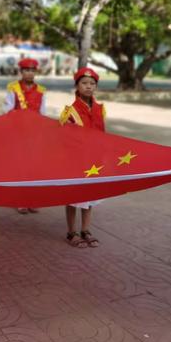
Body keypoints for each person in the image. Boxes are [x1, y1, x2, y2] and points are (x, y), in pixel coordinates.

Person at [59, 67, 105, 248]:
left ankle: (86, 229)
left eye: (92, 84)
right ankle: (71, 232)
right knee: (73, 197)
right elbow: (63, 140)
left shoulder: (101, 109)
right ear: (77, 86)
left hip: (94, 161)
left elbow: (104, 135)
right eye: (84, 83)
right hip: (75, 161)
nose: (88, 86)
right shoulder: (69, 111)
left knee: (90, 196)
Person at [5, 57, 46, 213]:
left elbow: (43, 112)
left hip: (35, 134)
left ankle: (32, 200)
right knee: (20, 167)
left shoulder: (41, 90)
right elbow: (7, 109)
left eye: (32, 70)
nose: (29, 73)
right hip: (18, 133)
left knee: (34, 168)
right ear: (21, 72)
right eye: (26, 70)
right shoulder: (13, 88)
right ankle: (20, 200)